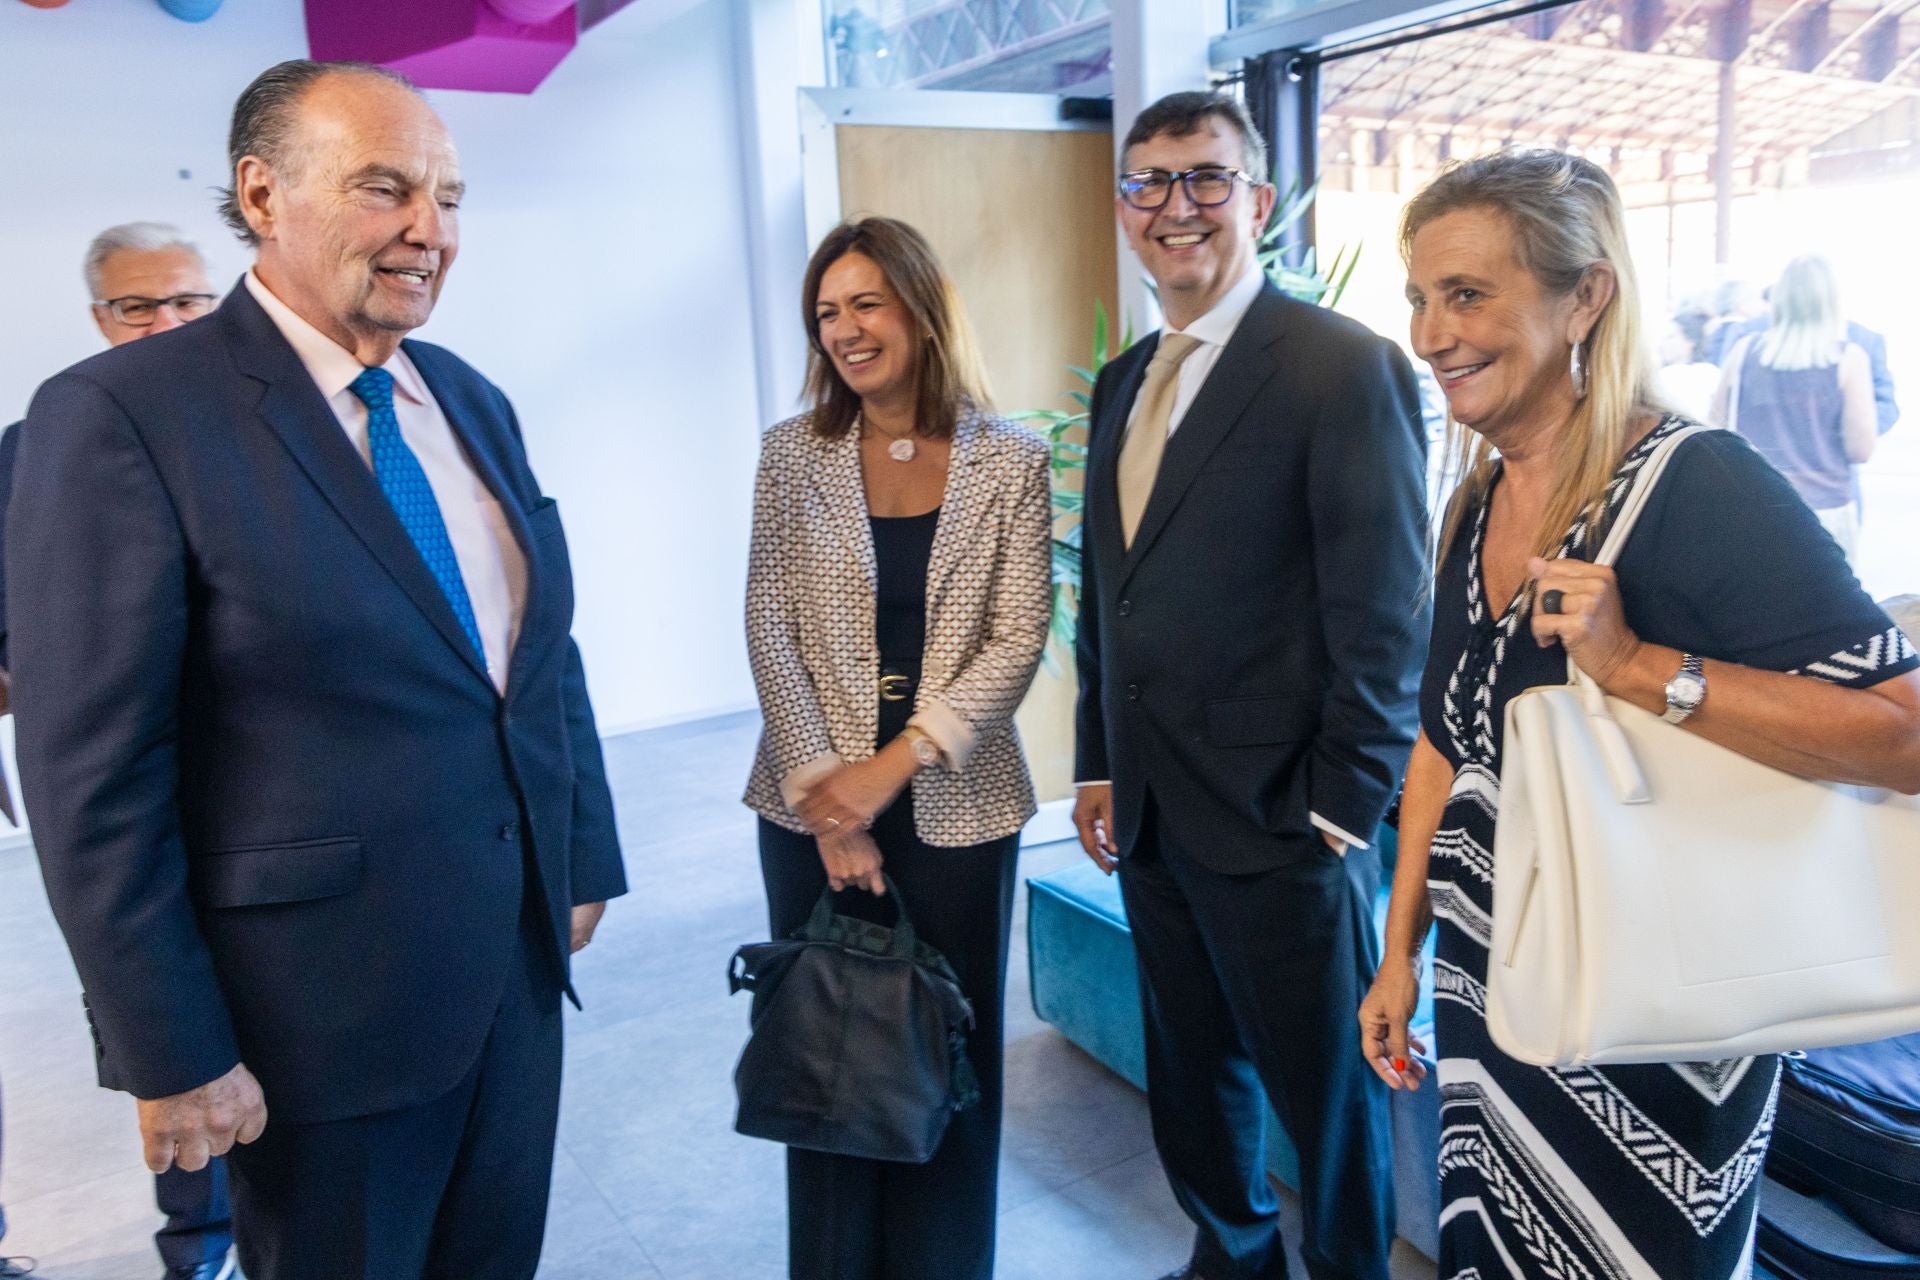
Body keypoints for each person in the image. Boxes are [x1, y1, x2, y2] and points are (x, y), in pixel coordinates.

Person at [7, 59, 626, 1280]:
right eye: (385, 188)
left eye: (450, 196)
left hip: (510, 974)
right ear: (262, 191)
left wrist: (581, 851)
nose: (429, 230)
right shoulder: (121, 414)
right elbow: (94, 771)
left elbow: (539, 653)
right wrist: (169, 1042)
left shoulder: (469, 398)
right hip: (314, 1016)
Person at [1361, 148, 1920, 1280]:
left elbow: (1902, 733)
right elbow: (1443, 742)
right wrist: (1398, 946)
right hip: (1497, 996)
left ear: (1586, 296)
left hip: (1656, 1031)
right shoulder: (1476, 496)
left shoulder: (1698, 481)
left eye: (1468, 294)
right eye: (1419, 299)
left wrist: (1639, 664)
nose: (1430, 333)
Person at [1072, 92, 1430, 1280]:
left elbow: (1384, 615)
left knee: (1322, 1103)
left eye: (1204, 179)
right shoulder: (1125, 379)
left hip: (1287, 821)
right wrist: (1099, 759)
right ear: (1125, 209)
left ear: (1260, 202)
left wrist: (1343, 808)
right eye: (1149, 182)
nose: (1176, 207)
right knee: (1192, 1079)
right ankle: (1229, 1258)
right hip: (1157, 819)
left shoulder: (1340, 367)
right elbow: (1111, 600)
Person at [743, 214, 1049, 1280]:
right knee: (825, 1050)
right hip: (807, 807)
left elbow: (1019, 635)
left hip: (957, 810)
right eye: (827, 312)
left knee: (948, 1057)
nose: (846, 328)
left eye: (866, 302)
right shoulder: (793, 455)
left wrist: (891, 767)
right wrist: (831, 795)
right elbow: (768, 622)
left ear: (919, 305)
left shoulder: (1012, 459)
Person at [0, 221, 235, 1280]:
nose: (166, 322)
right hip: (124, 798)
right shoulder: (37, 443)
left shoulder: (272, 428)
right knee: (159, 1015)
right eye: (139, 306)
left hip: (257, 792)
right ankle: (200, 1241)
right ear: (100, 318)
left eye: (187, 300)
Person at [1713, 254, 1879, 560]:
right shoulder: (1848, 360)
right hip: (1824, 510)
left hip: (1753, 503)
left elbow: (1716, 428)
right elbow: (1860, 449)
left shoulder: (1743, 352)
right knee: (1824, 607)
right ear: (1831, 301)